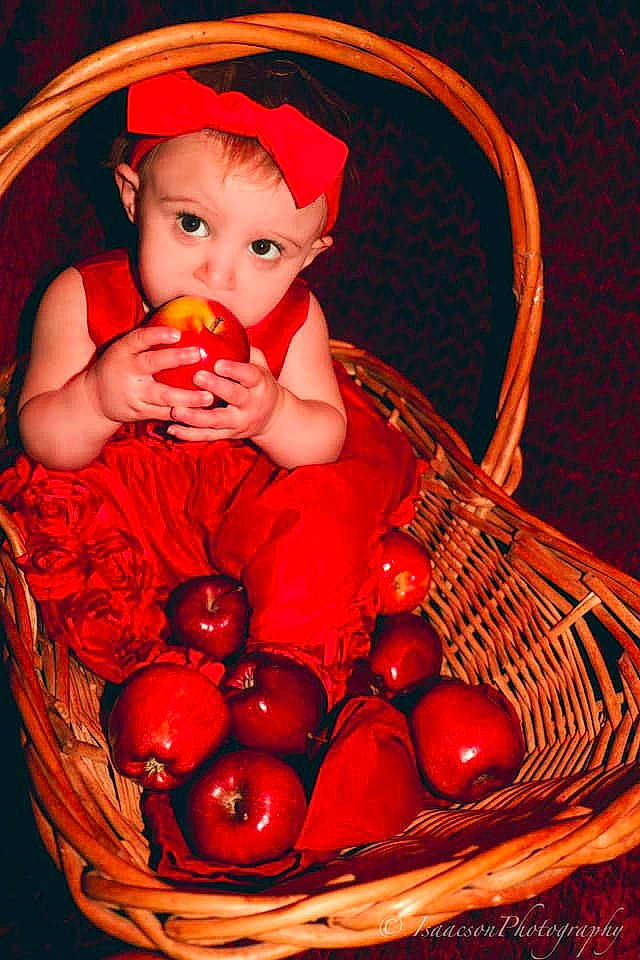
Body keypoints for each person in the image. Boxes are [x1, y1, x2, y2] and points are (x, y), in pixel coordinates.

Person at [0, 57, 426, 856]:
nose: (218, 274)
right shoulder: (81, 298)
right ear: (133, 196)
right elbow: (42, 440)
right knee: (75, 545)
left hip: (247, 515)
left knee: (325, 508)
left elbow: (323, 440)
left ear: (311, 254)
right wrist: (95, 397)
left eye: (264, 247)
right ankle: (179, 712)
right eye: (191, 224)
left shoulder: (297, 322)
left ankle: (289, 693)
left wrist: (273, 412)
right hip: (130, 510)